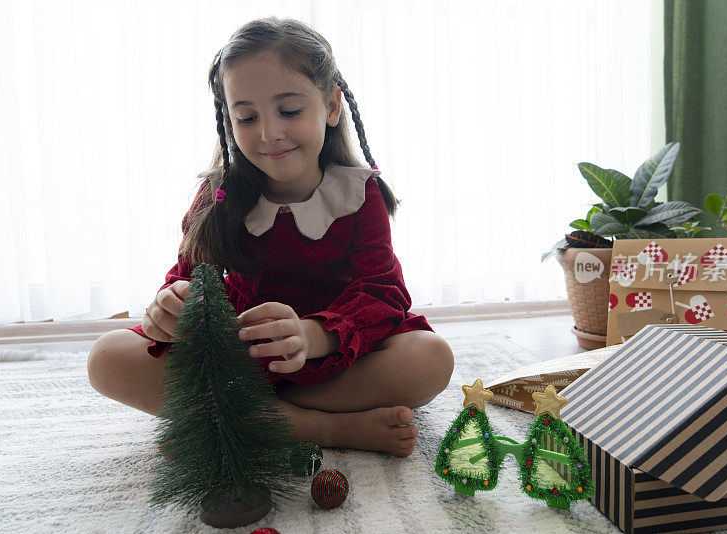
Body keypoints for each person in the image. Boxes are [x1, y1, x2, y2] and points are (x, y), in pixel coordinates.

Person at [87, 18, 454, 458]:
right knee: (107, 356)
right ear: (229, 119)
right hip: (242, 362)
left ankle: (228, 416)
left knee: (430, 357)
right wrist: (171, 310)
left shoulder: (359, 194)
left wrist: (313, 335)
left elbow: (384, 293)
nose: (268, 134)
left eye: (290, 111)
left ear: (332, 107)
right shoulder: (217, 196)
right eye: (246, 116)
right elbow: (182, 282)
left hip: (334, 357)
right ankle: (324, 429)